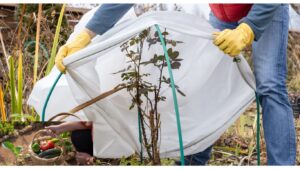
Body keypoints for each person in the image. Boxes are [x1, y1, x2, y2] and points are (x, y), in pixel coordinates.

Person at [52, 4, 296, 165]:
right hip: (223, 15)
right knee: (204, 85)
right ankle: (192, 162)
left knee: (269, 86)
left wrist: (248, 29)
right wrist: (88, 33)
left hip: (265, 9)